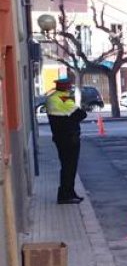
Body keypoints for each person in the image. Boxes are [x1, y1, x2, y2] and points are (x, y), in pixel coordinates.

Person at [46, 76, 87, 204]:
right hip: (69, 138)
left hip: (60, 137)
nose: (70, 88)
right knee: (70, 167)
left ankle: (69, 192)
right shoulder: (63, 98)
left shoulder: (51, 97)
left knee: (66, 166)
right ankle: (66, 195)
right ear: (64, 87)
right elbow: (81, 114)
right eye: (69, 86)